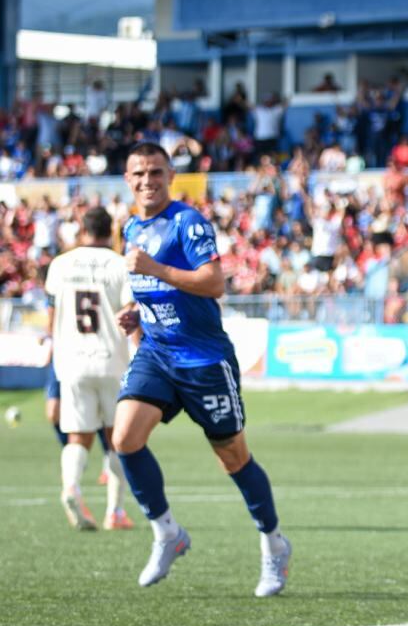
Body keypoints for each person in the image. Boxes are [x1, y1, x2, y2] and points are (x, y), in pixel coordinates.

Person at [112, 142, 291, 596]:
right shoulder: (131, 226)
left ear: (170, 175)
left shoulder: (187, 222)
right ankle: (167, 533)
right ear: (127, 179)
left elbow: (213, 282)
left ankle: (273, 545)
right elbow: (152, 286)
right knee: (124, 439)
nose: (147, 181)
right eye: (138, 174)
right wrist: (137, 311)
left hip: (203, 361)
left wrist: (156, 268)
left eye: (155, 172)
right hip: (157, 351)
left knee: (233, 457)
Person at [44, 207, 133, 531]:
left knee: (78, 437)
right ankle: (115, 511)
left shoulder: (60, 264)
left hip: (72, 360)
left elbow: (51, 317)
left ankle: (71, 488)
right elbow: (129, 312)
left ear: (82, 230)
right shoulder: (119, 264)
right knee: (117, 439)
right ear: (111, 231)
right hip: (111, 360)